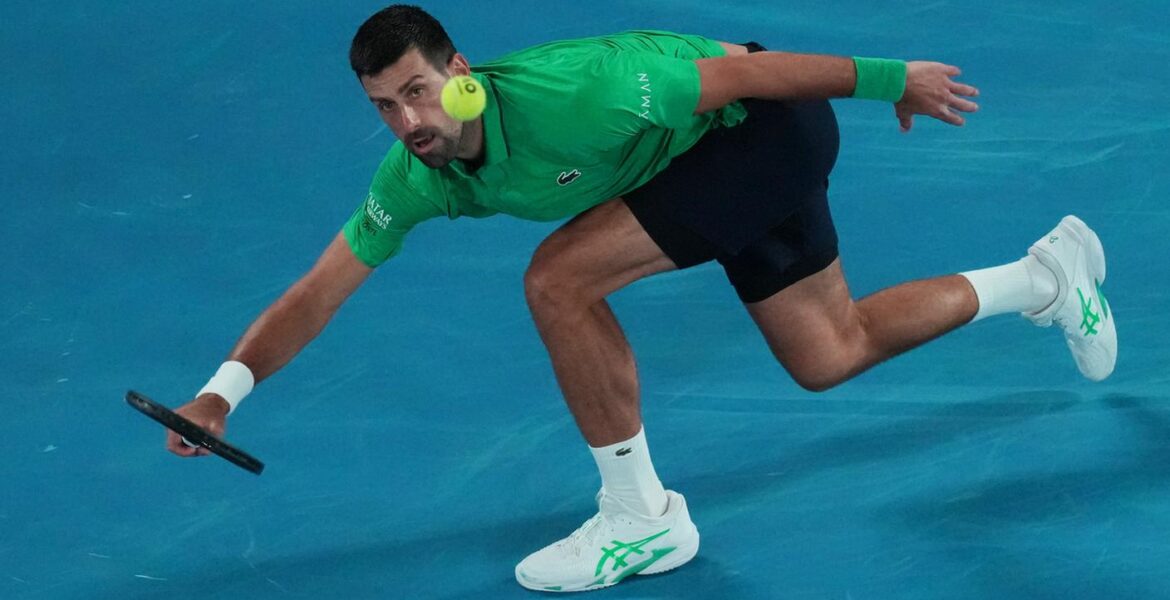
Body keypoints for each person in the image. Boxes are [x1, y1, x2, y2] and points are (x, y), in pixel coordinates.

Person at [165, 4, 1117, 592]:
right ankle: (1047, 279)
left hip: (761, 132)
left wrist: (892, 80)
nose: (407, 120)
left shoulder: (577, 93)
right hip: (711, 162)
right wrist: (221, 392)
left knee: (558, 279)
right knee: (831, 353)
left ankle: (641, 518)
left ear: (460, 76)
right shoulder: (416, 177)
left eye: (418, 91)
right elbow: (320, 289)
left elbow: (745, 74)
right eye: (385, 105)